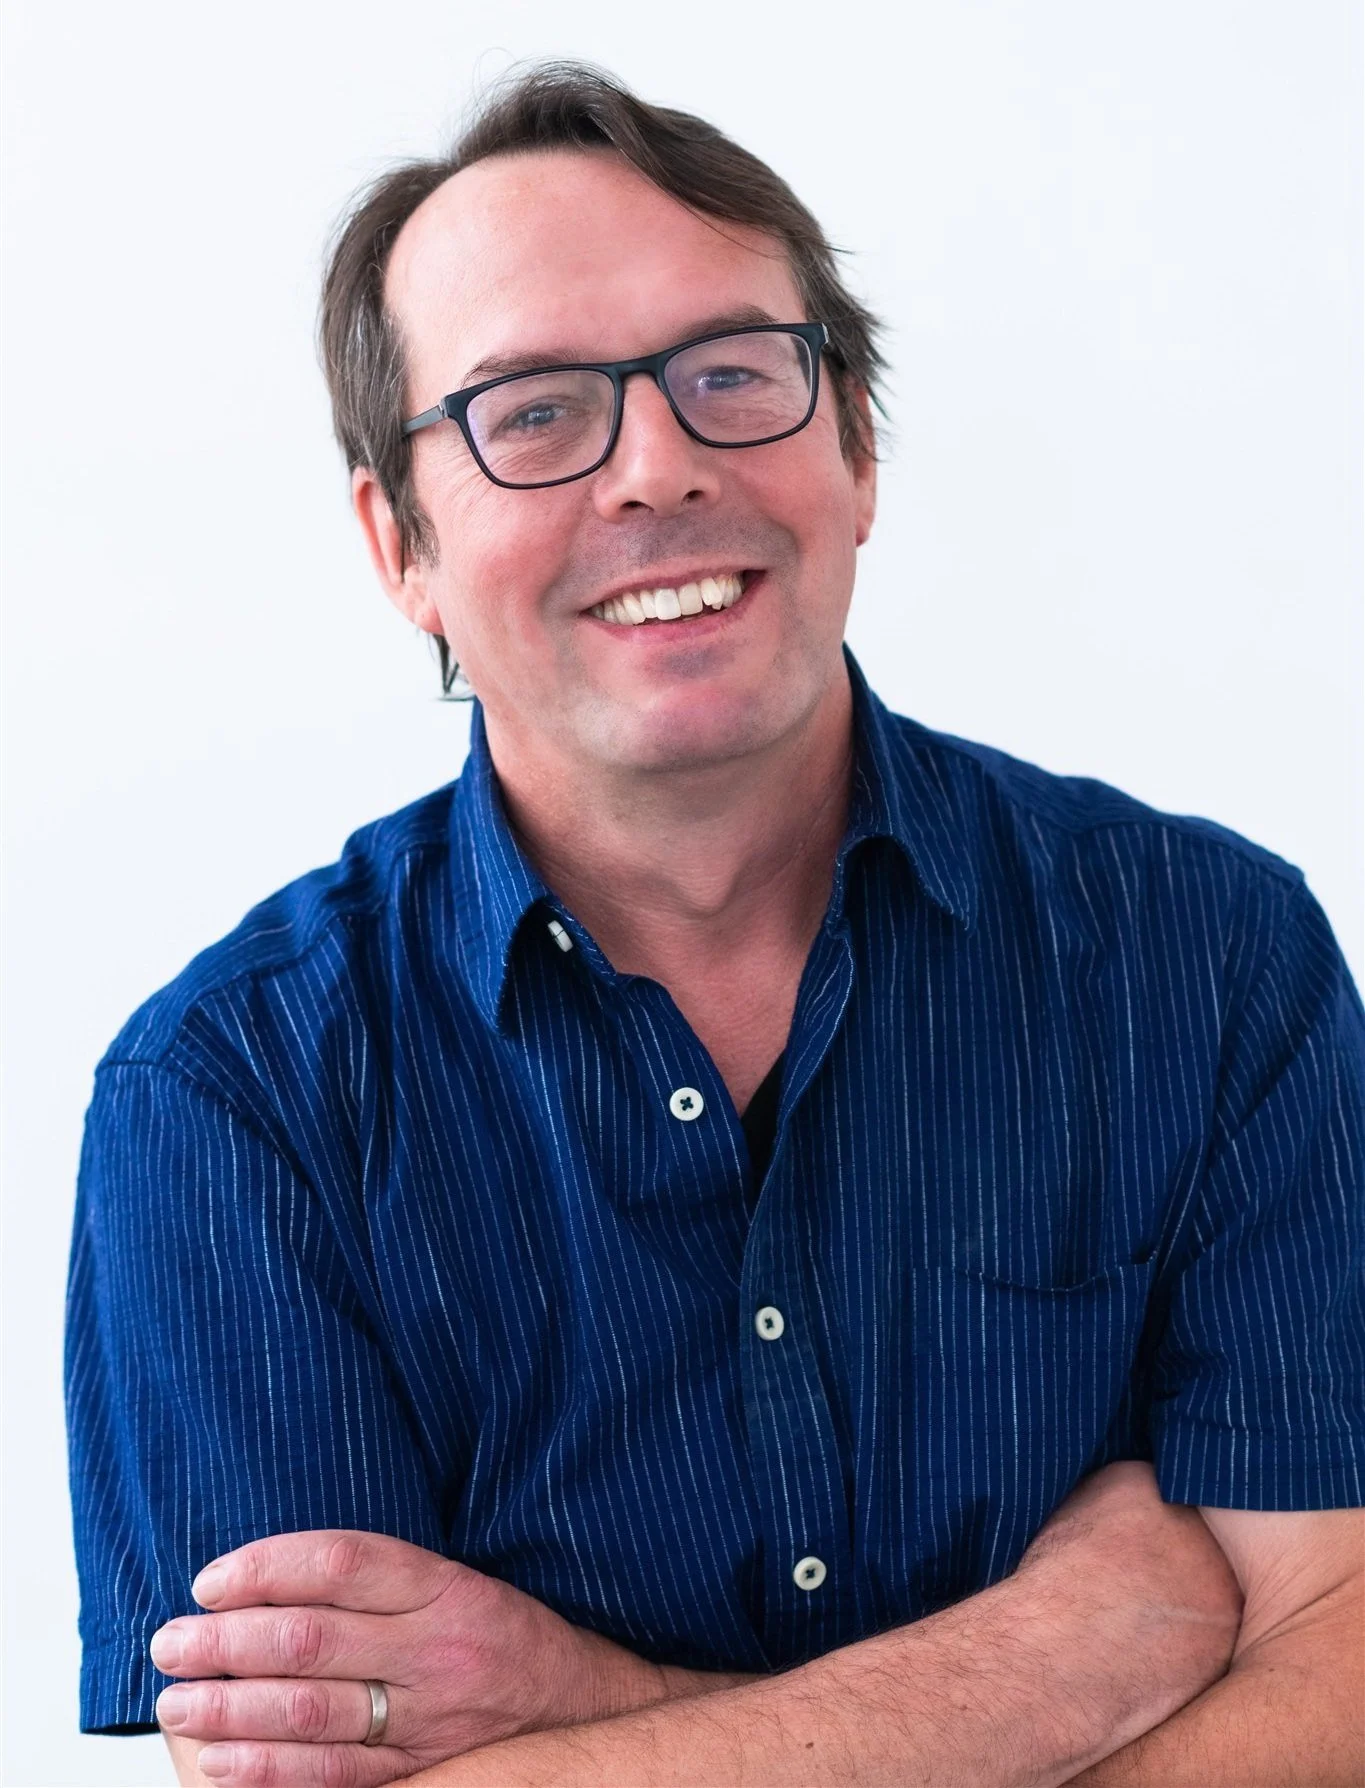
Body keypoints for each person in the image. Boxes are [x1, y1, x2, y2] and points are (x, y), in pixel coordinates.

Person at [64, 61, 1363, 1788]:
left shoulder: (1215, 962)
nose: (659, 468)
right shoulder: (229, 1105)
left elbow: (1337, 1670)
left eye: (733, 375)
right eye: (531, 413)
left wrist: (578, 1712)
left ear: (859, 451)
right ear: (402, 547)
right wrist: (1061, 1658)